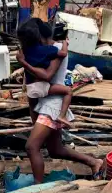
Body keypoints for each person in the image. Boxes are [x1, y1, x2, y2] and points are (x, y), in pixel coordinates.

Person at [19, 18, 105, 183]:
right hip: (45, 103)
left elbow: (47, 75)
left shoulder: (56, 49)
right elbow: (32, 84)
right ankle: (94, 162)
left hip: (53, 104)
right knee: (56, 150)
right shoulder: (42, 51)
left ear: (41, 38)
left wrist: (24, 62)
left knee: (31, 147)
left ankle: (37, 188)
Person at [17, 21, 73, 128]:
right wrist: (66, 43)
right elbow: (47, 76)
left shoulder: (25, 51)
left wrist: (23, 63)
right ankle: (62, 116)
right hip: (48, 97)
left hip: (34, 92)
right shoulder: (51, 49)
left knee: (42, 138)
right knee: (68, 91)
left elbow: (45, 75)